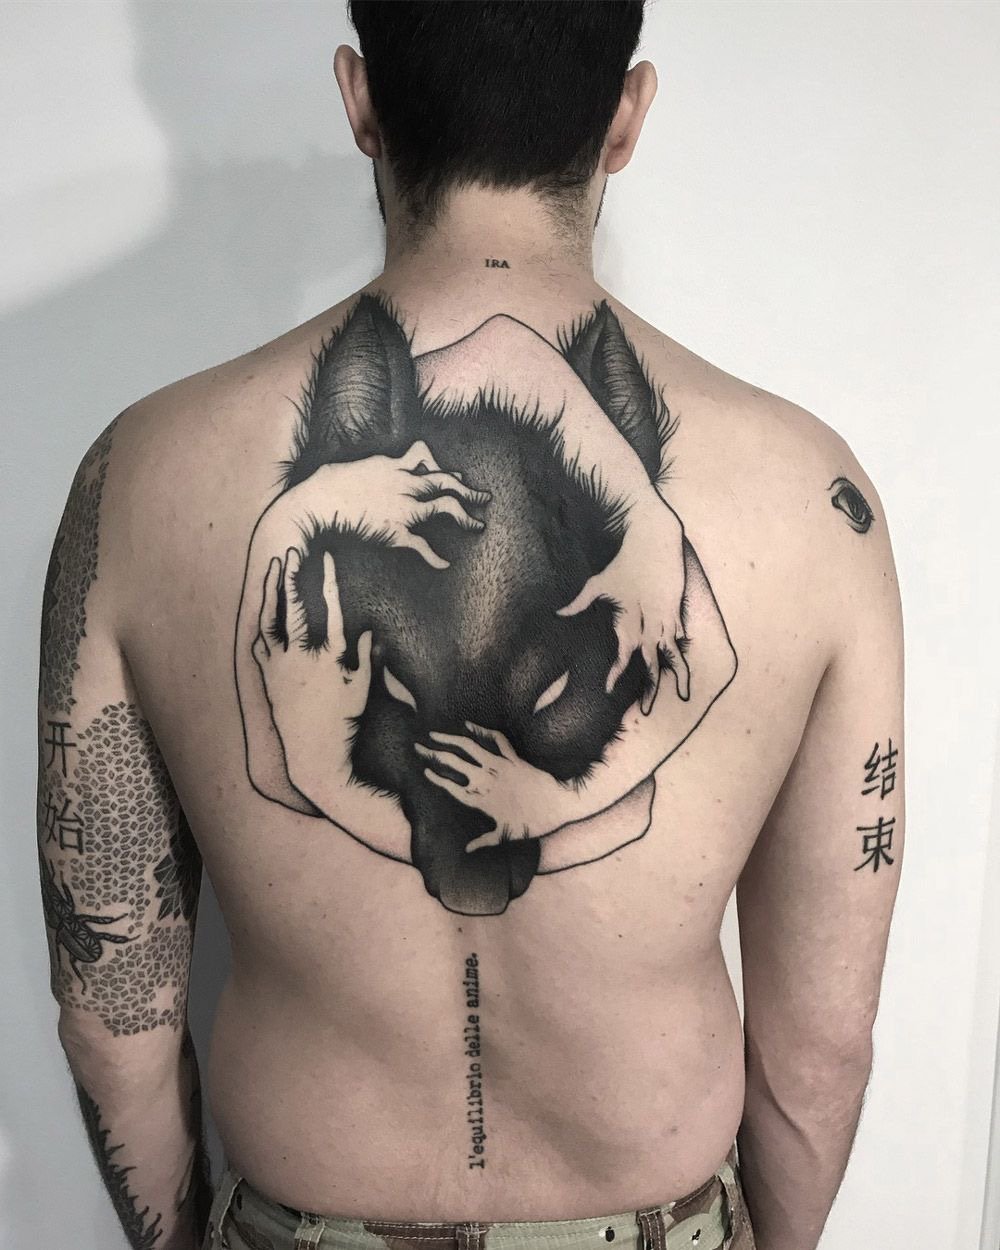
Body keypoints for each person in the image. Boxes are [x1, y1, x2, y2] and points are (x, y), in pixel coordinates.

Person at [36, 4, 904, 1249]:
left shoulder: (139, 479)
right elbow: (820, 1050)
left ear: (359, 99)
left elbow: (111, 1007)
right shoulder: (815, 506)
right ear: (626, 116)